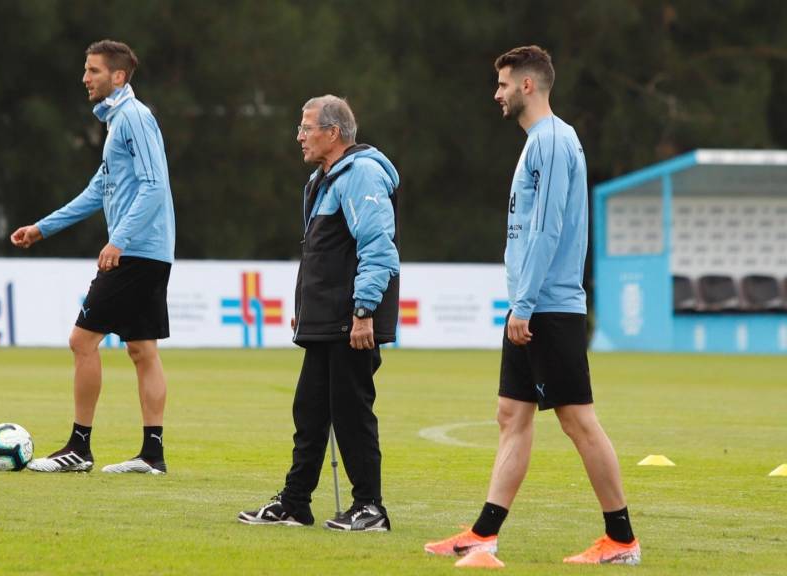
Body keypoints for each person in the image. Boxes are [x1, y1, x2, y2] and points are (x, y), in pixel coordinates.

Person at [424, 46, 640, 568]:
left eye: (503, 84)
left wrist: (523, 304)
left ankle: (622, 539)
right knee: (511, 416)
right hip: (530, 304)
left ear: (527, 85)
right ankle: (484, 534)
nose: (496, 94)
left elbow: (546, 229)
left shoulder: (552, 142)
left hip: (548, 306)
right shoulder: (538, 143)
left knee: (578, 421)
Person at [10, 40, 175, 475]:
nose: (85, 78)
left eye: (93, 70)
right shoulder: (118, 121)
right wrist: (42, 228)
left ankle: (79, 448)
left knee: (81, 341)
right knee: (142, 349)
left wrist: (118, 240)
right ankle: (152, 455)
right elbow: (96, 192)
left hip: (136, 252)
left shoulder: (133, 117)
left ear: (118, 77)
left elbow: (154, 185)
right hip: (149, 251)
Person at [238, 95, 400, 531]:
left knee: (351, 412)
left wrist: (363, 310)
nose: (299, 136)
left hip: (351, 319)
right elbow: (322, 253)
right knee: (309, 412)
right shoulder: (322, 179)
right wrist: (306, 309)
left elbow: (378, 247)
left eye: (306, 127)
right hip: (327, 318)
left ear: (333, 132)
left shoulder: (361, 173)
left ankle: (370, 507)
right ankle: (295, 503)